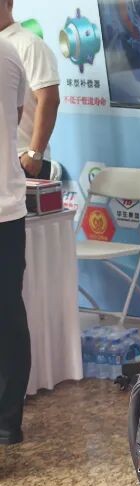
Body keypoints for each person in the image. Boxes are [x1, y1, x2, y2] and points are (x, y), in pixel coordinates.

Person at [0, 0, 60, 180]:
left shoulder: (28, 44)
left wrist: (35, 153)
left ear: (9, 3)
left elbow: (49, 99)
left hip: (23, 159)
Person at [0, 35, 29, 446]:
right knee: (8, 314)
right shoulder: (7, 51)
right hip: (7, 207)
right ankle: (8, 422)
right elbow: (17, 115)